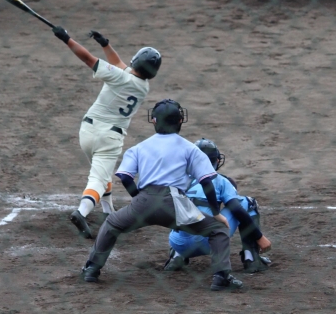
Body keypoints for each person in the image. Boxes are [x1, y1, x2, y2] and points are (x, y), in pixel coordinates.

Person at [80, 99, 268, 291]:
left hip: (143, 200)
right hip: (175, 204)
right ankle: (221, 277)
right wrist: (216, 213)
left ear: (154, 121)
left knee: (111, 224)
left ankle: (92, 269)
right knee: (218, 230)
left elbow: (125, 177)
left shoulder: (139, 147)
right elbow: (207, 182)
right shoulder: (190, 148)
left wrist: (137, 197)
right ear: (180, 121)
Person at [51, 25, 161, 239]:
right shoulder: (142, 86)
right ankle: (82, 211)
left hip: (87, 131)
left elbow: (88, 59)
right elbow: (119, 65)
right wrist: (106, 44)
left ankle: (108, 210)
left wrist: (67, 39)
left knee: (102, 172)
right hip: (109, 138)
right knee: (99, 179)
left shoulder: (120, 77)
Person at [163, 138, 272, 273]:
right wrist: (259, 237)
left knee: (179, 205)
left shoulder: (178, 179)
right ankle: (252, 258)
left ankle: (176, 256)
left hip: (177, 242)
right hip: (209, 241)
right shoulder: (221, 180)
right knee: (247, 203)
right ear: (217, 161)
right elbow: (236, 209)